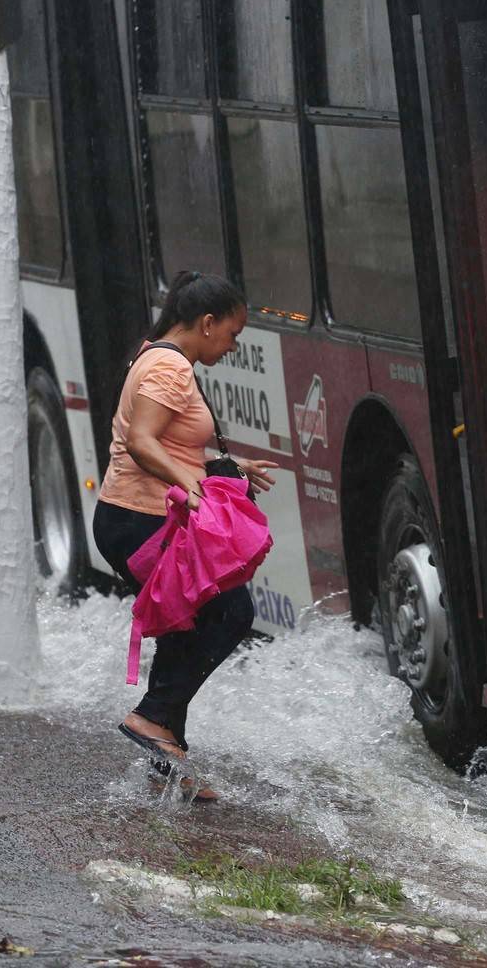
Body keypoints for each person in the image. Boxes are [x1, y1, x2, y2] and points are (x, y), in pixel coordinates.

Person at [93, 271, 278, 800]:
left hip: (138, 519)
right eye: (233, 334)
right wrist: (190, 488)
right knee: (229, 612)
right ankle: (152, 720)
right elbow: (140, 441)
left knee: (187, 625)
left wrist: (228, 464)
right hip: (139, 523)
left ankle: (168, 764)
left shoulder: (162, 358)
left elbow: (173, 445)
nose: (233, 345)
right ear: (207, 322)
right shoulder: (169, 368)